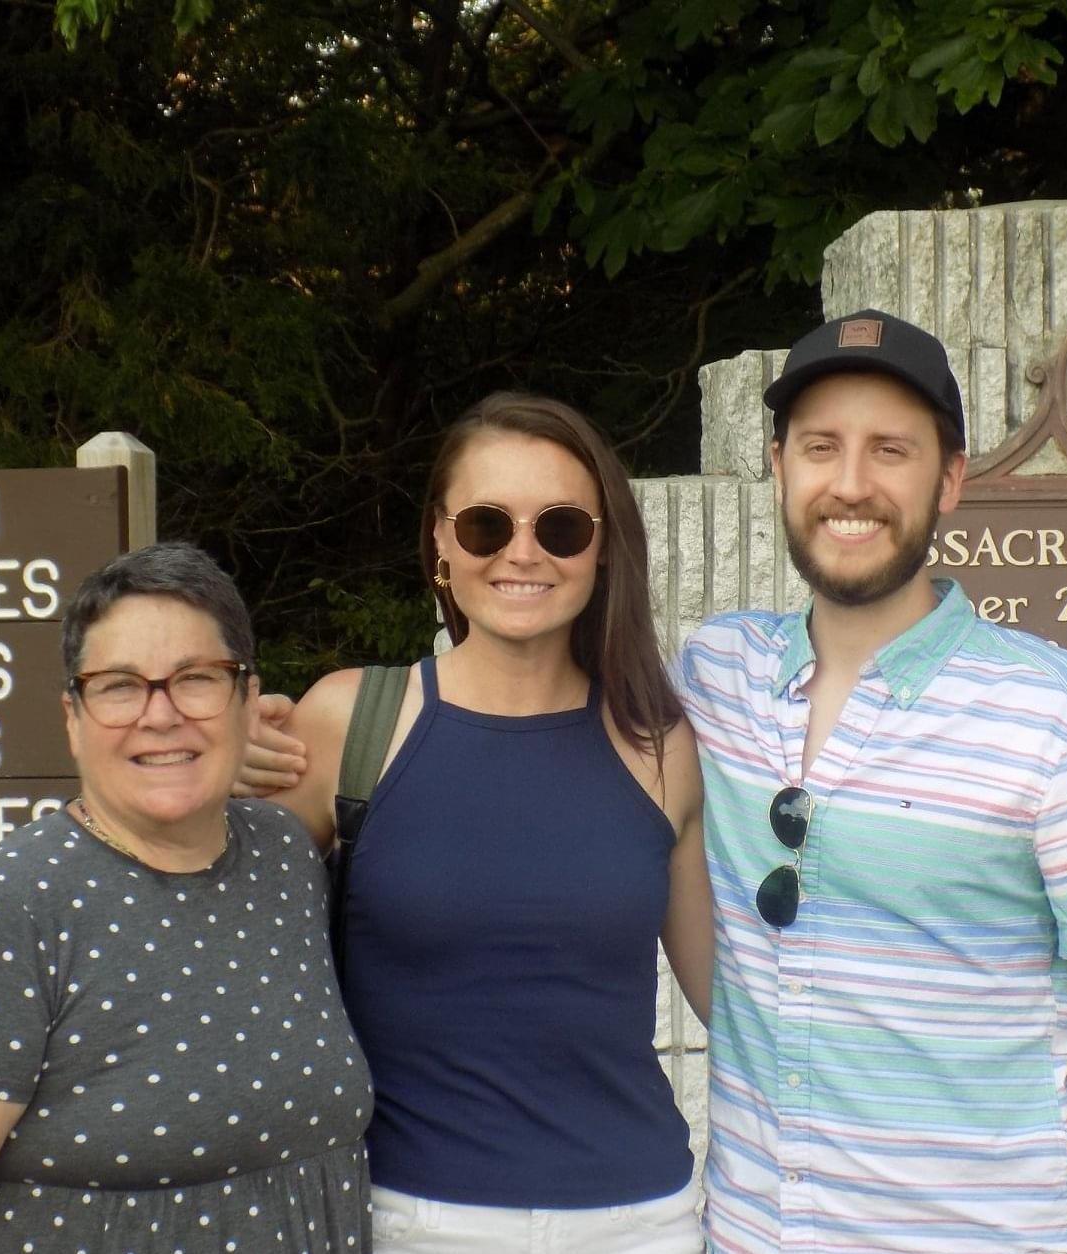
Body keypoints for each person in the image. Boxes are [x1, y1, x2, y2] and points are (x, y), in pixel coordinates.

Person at [677, 309, 1067, 1253]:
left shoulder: (1058, 715)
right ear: (780, 466)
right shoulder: (716, 675)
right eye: (822, 446)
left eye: (892, 451)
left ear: (949, 480)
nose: (852, 484)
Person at [238, 392, 712, 1253]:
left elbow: (734, 997)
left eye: (562, 526)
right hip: (412, 1216)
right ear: (440, 544)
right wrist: (203, 772)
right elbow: (216, 939)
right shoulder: (350, 721)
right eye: (487, 524)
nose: (522, 553)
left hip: (640, 1219)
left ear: (603, 549)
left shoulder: (659, 745)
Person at [0, 543, 373, 1254]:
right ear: (72, 718)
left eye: (196, 679)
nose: (160, 715)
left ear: (248, 700)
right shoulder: (11, 909)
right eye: (119, 686)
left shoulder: (285, 856)